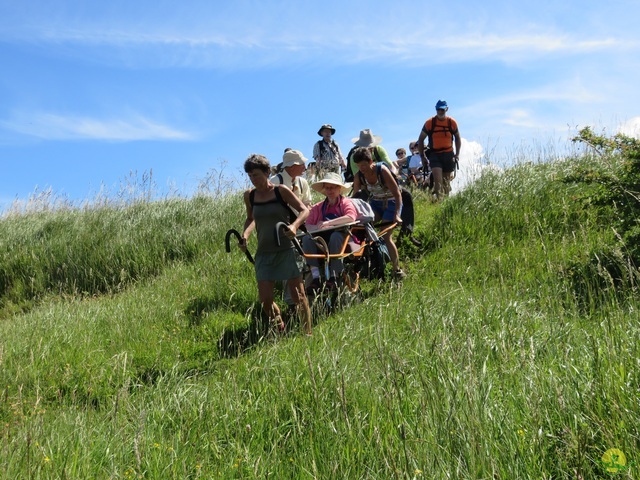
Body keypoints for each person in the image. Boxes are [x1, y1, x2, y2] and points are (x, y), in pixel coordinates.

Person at [240, 154, 312, 335]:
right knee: (265, 299)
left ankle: (308, 333)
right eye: (250, 176)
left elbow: (304, 210)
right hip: (264, 252)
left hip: (287, 249)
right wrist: (245, 236)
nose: (253, 179)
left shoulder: (281, 191)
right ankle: (279, 324)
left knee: (298, 296)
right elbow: (250, 219)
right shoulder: (250, 196)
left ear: (267, 172)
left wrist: (294, 226)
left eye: (256, 174)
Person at [351, 147, 406, 279]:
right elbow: (354, 198)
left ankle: (396, 269)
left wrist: (397, 215)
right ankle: (363, 265)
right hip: (375, 203)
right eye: (359, 166)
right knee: (360, 229)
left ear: (370, 161)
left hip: (391, 203)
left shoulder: (382, 171)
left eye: (364, 165)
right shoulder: (359, 176)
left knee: (386, 235)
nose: (362, 168)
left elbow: (397, 194)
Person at [302, 172, 358, 293]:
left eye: (332, 187)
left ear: (339, 189)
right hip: (322, 241)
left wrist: (329, 223)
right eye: (327, 188)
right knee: (306, 239)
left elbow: (351, 217)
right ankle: (315, 277)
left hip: (344, 239)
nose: (329, 190)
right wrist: (316, 227)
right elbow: (307, 226)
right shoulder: (318, 207)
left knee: (336, 236)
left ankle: (334, 276)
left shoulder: (346, 203)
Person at [417, 100, 461, 200]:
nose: (440, 111)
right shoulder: (429, 123)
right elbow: (420, 140)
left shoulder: (451, 122)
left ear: (446, 109)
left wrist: (457, 154)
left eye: (442, 109)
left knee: (446, 180)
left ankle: (445, 201)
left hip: (448, 154)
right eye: (438, 109)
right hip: (434, 154)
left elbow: (457, 138)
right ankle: (440, 201)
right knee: (438, 179)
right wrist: (423, 157)